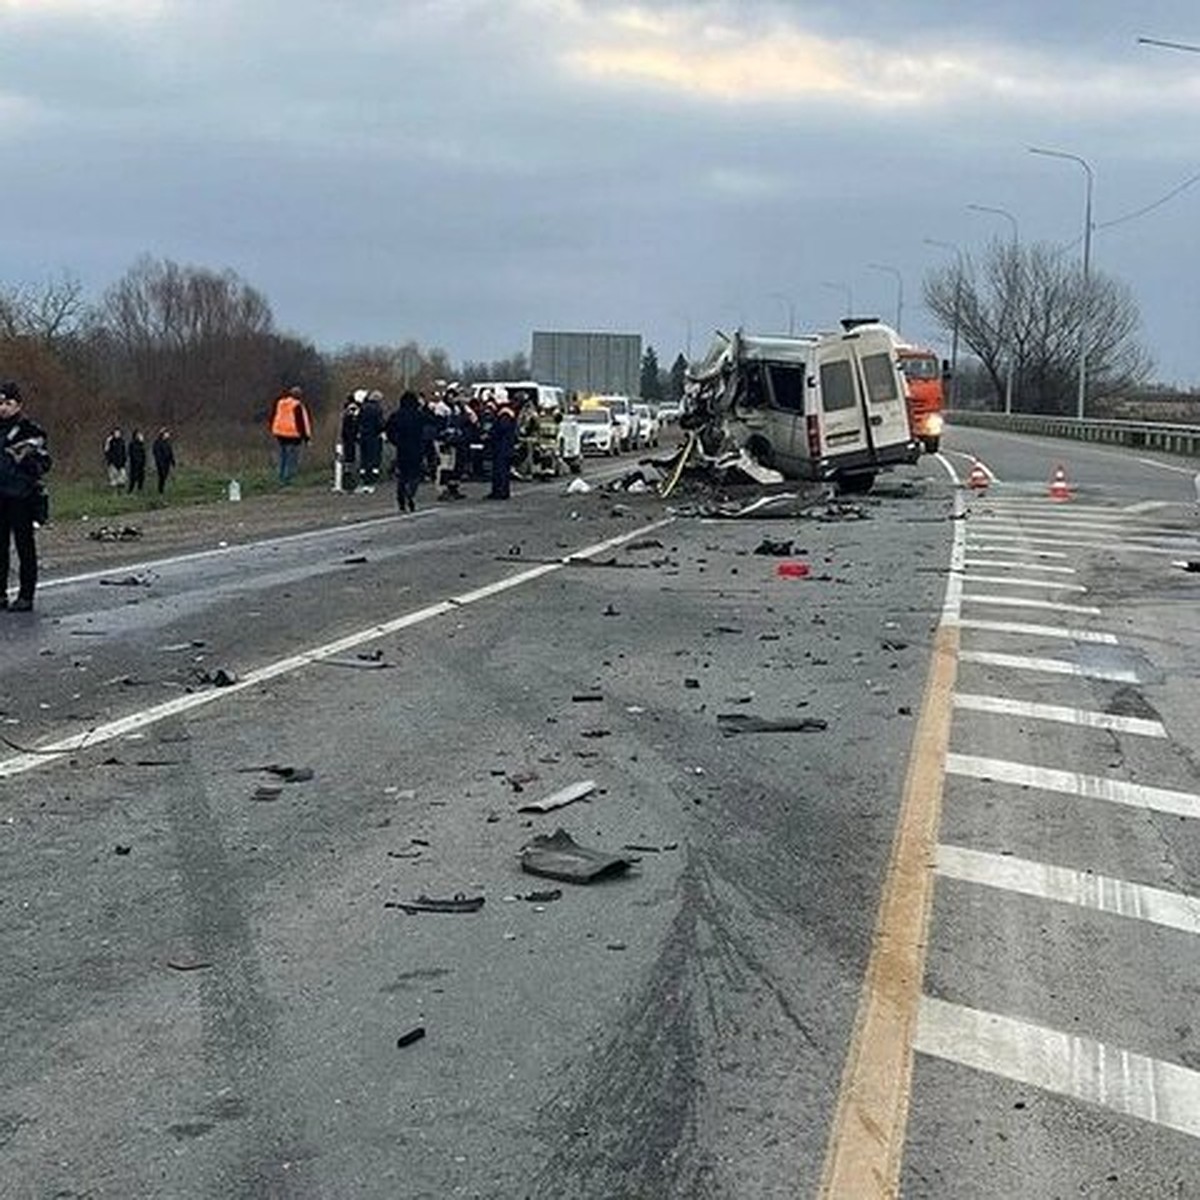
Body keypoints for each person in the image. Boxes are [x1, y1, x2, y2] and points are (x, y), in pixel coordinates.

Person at [0, 382, 52, 612]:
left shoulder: (30, 429)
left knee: (24, 547)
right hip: (0, 494)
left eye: (8, 403)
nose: (2, 408)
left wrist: (28, 461)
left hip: (21, 495)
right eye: (0, 403)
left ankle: (26, 595)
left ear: (18, 405)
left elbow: (44, 462)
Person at [383, 390, 433, 513]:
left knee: (403, 476)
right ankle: (410, 493)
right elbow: (433, 421)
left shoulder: (397, 415)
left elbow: (388, 429)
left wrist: (395, 441)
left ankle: (401, 500)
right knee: (415, 475)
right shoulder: (419, 414)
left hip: (402, 448)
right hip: (417, 447)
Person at [269, 385, 312, 484]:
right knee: (291, 458)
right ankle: (287, 479)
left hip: (280, 434)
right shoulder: (297, 406)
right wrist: (306, 439)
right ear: (299, 396)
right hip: (293, 435)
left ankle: (280, 477)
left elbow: (276, 416)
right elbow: (301, 423)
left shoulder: (281, 403)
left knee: (282, 457)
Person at [487, 401, 518, 499]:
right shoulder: (510, 415)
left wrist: (490, 434)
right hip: (506, 447)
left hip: (501, 448)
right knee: (504, 471)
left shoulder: (504, 416)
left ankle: (499, 492)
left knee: (500, 471)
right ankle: (503, 491)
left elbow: (500, 430)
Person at [357, 389, 385, 491]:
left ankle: (363, 476)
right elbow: (380, 423)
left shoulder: (363, 407)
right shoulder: (378, 409)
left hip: (363, 435)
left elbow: (358, 421)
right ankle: (372, 478)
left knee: (364, 457)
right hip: (373, 436)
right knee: (373, 458)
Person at [340, 393, 361, 492]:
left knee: (348, 458)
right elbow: (355, 423)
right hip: (352, 437)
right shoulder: (353, 409)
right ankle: (351, 479)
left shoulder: (347, 409)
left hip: (347, 436)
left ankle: (348, 477)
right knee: (351, 458)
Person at [152, 428, 175, 494]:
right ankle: (160, 490)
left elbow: (170, 452)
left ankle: (162, 488)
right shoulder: (157, 443)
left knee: (165, 476)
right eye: (166, 433)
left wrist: (172, 461)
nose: (168, 435)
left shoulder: (167, 443)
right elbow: (157, 453)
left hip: (167, 462)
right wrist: (160, 462)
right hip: (161, 462)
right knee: (162, 476)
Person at [126, 429, 146, 493]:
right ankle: (130, 491)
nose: (140, 436)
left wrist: (143, 462)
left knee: (141, 478)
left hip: (141, 464)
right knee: (133, 478)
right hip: (134, 464)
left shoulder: (141, 444)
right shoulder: (132, 444)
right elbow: (131, 454)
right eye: (138, 435)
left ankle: (139, 490)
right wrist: (136, 460)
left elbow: (143, 454)